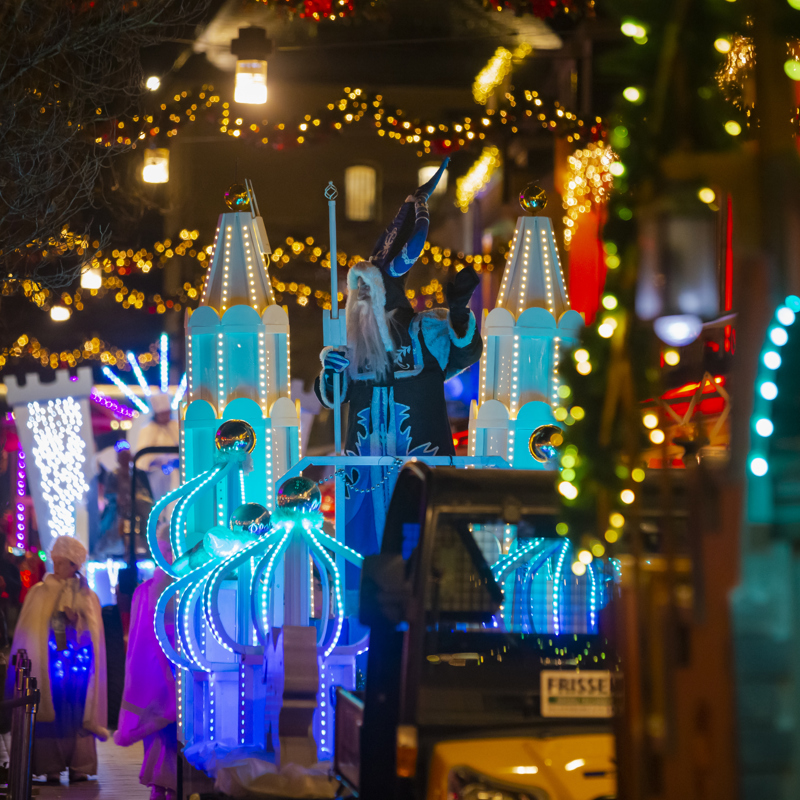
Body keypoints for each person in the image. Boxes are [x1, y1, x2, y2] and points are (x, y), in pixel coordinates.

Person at [314, 159, 483, 565]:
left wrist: (459, 314)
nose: (361, 304)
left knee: (426, 555)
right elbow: (333, 399)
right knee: (365, 560)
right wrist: (332, 372)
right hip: (365, 475)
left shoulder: (426, 330)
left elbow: (464, 353)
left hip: (423, 467)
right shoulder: (350, 344)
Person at [6, 535, 107, 782]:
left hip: (80, 671)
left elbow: (93, 635)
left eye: (63, 562)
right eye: (56, 561)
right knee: (51, 713)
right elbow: (30, 632)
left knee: (77, 713)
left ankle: (79, 764)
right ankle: (50, 765)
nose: (57, 567)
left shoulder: (87, 596)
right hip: (50, 668)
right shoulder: (39, 593)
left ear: (75, 565)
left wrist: (78, 622)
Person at [115, 533, 177, 800]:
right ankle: (162, 783)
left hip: (160, 671)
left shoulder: (152, 589)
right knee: (163, 731)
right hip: (162, 671)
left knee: (163, 730)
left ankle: (162, 784)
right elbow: (144, 638)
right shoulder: (155, 590)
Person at [134, 391, 180, 504]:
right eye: (163, 414)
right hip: (157, 473)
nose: (166, 416)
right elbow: (142, 459)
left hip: (179, 469)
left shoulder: (176, 425)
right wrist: (159, 460)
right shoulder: (147, 430)